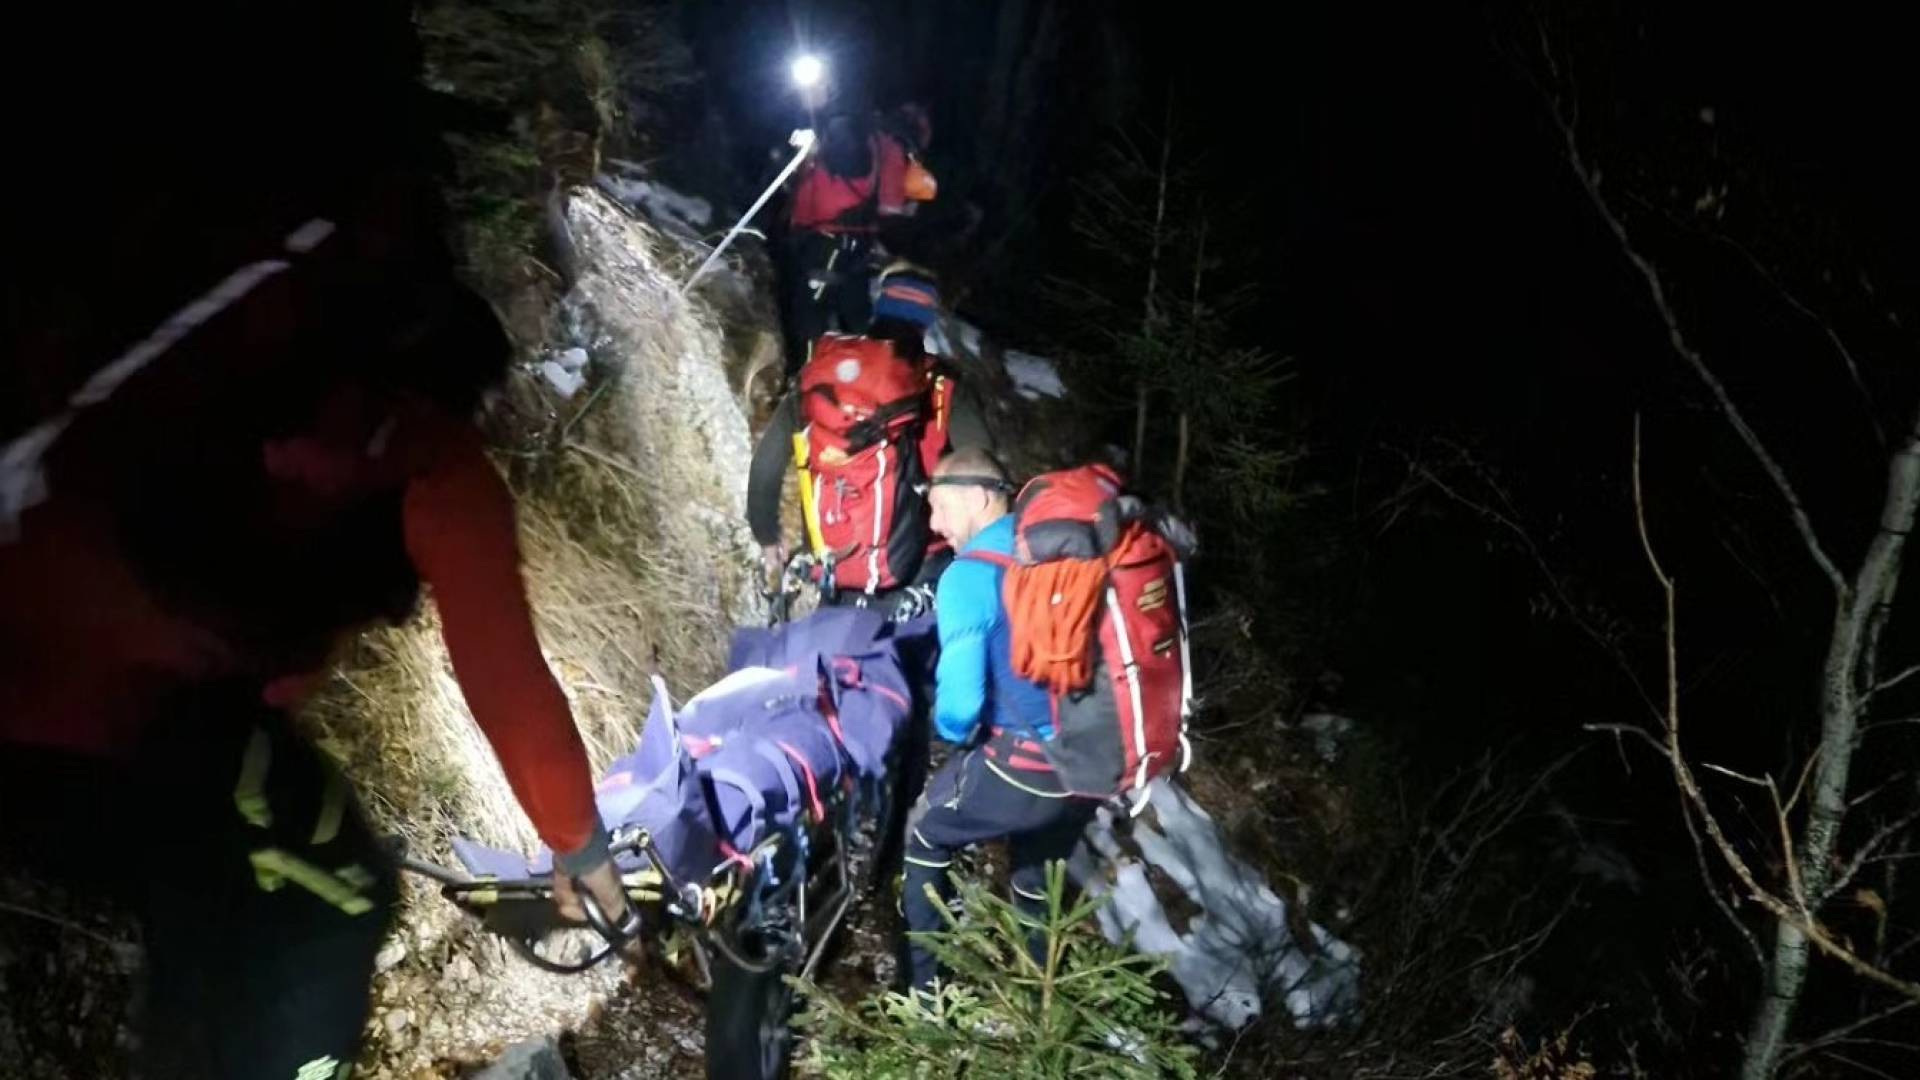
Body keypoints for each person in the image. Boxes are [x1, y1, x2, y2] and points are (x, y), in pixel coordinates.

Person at [0, 11, 632, 1076]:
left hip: (53, 675)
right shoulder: (430, 463)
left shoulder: (164, 297)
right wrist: (580, 849)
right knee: (334, 892)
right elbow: (514, 696)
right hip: (87, 724)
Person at [899, 449, 1101, 991]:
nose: (935, 524)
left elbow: (961, 712)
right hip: (1095, 762)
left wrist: (952, 734)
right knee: (1036, 874)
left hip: (1024, 767)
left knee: (924, 835)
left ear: (978, 496)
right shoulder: (1064, 551)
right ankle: (1041, 1002)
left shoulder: (967, 577)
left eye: (940, 507)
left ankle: (922, 999)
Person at [747, 265, 988, 617]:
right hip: (918, 564)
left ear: (880, 307)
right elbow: (982, 464)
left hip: (835, 557)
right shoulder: (942, 383)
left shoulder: (821, 377)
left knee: (839, 663)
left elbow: (766, 467)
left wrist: (767, 535)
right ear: (927, 319)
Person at [779, 104, 931, 373]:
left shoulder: (863, 136)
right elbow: (889, 208)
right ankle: (815, 384)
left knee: (816, 311)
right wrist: (907, 209)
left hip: (811, 233)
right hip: (843, 241)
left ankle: (828, 383)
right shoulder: (891, 148)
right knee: (837, 317)